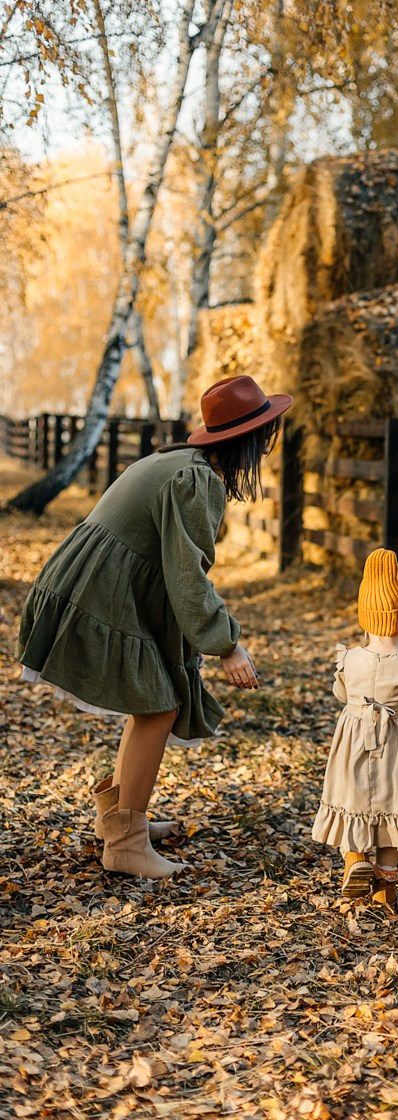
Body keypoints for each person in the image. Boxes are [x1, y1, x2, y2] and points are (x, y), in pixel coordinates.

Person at [16, 375, 293, 879]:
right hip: (99, 589)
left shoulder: (174, 462)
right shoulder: (196, 480)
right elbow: (187, 577)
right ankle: (126, 842)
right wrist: (226, 645)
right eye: (266, 436)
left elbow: (172, 570)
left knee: (154, 702)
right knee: (159, 706)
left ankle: (119, 820)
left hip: (95, 580)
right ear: (247, 441)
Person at [311, 547, 398, 910]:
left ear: (364, 617)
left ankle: (354, 859)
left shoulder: (350, 658)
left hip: (353, 744)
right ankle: (386, 885)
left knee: (353, 801)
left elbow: (341, 693)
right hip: (396, 749)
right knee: (393, 808)